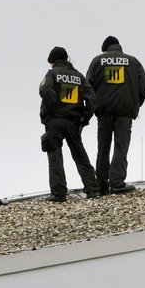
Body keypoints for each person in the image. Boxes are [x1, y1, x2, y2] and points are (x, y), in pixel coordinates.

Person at [86, 35, 145, 194]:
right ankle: (117, 182)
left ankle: (101, 184)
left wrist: (95, 108)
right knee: (121, 147)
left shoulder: (97, 61)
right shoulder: (133, 62)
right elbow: (144, 88)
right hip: (124, 113)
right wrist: (135, 106)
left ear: (105, 50)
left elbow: (87, 87)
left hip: (104, 113)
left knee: (103, 148)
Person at [39, 46, 98, 202]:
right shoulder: (78, 76)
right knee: (80, 155)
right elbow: (92, 99)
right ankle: (92, 188)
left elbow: (45, 90)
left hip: (55, 121)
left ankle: (59, 194)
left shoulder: (51, 74)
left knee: (55, 157)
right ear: (67, 59)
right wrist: (84, 117)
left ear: (52, 61)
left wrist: (51, 109)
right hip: (73, 121)